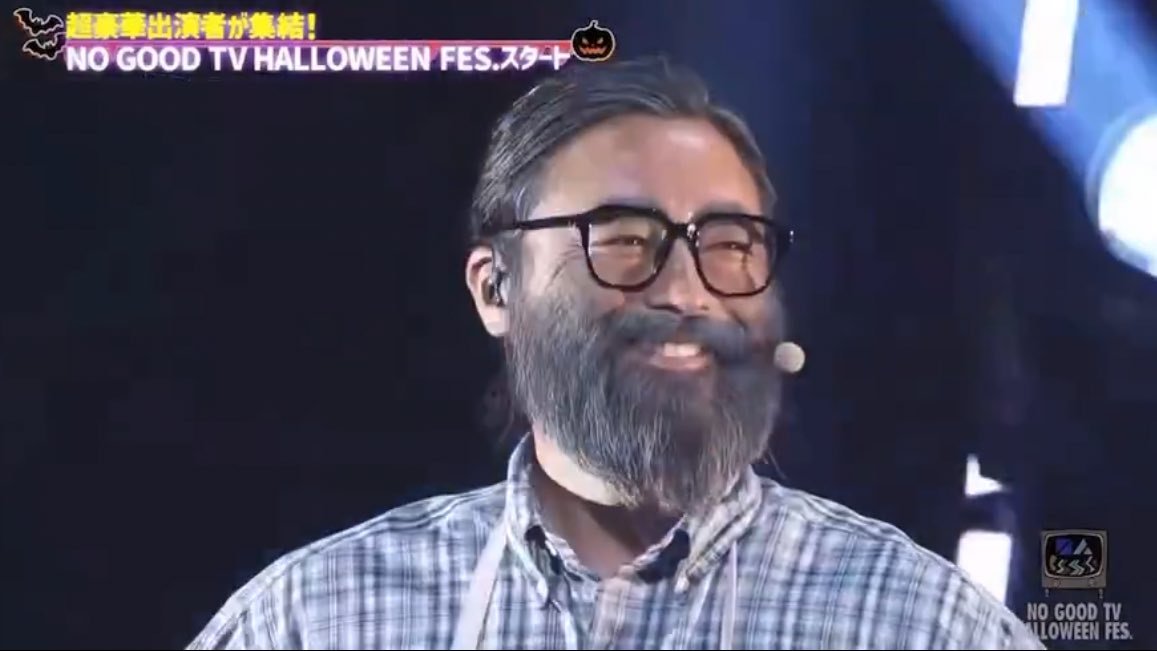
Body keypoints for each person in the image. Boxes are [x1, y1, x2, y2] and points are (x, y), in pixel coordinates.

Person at [188, 58, 1045, 650]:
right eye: (626, 238)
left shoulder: (923, 626)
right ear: (495, 288)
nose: (687, 290)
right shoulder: (316, 620)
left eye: (729, 243)